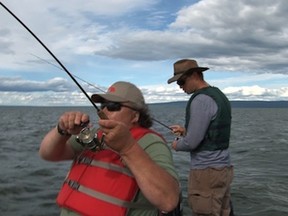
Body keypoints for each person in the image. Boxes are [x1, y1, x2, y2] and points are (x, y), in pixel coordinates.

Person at [39, 81, 180, 216]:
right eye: (103, 105)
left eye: (113, 106)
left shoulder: (151, 143)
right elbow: (48, 154)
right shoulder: (93, 134)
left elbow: (168, 200)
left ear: (135, 116)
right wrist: (62, 130)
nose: (104, 110)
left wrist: (128, 148)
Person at [167, 59, 234, 216]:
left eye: (182, 81)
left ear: (196, 74)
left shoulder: (200, 100)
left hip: (206, 173)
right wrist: (185, 131)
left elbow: (191, 143)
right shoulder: (218, 95)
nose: (181, 87)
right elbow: (211, 132)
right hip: (223, 169)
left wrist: (177, 145)